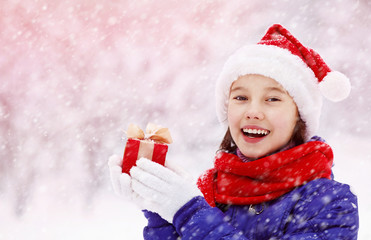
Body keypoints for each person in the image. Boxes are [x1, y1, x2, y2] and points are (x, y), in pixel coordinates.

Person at [108, 24, 359, 239]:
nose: (253, 111)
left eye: (272, 99)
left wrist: (188, 212)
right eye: (241, 97)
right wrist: (159, 210)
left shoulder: (332, 204)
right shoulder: (209, 190)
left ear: (299, 117)